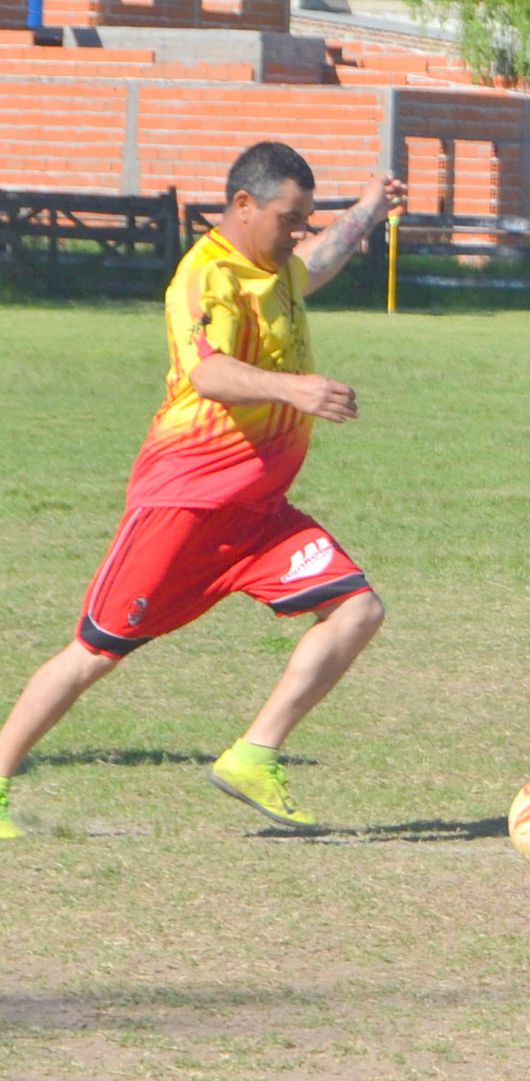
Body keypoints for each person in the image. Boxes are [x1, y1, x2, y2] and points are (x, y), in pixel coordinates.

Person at [0, 141, 407, 839]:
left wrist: (368, 209)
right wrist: (295, 389)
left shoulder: (276, 266)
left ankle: (254, 753)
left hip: (258, 517)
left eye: (306, 218)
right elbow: (209, 373)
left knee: (357, 609)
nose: (299, 232)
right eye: (290, 217)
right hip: (182, 507)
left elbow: (321, 262)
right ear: (243, 206)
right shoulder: (207, 274)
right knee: (94, 653)